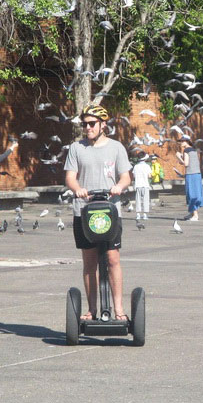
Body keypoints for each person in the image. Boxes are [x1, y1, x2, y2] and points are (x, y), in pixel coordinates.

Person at [64, 104, 132, 322]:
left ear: (103, 124)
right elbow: (70, 177)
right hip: (84, 211)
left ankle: (119, 309)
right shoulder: (76, 148)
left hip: (109, 211)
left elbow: (125, 176)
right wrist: (77, 189)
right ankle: (92, 309)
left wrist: (119, 187)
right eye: (84, 124)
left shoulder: (116, 147)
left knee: (112, 259)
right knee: (90, 261)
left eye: (91, 124)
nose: (87, 128)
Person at [176, 137, 203, 221]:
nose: (181, 143)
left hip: (191, 174)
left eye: (182, 141)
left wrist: (178, 157)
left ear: (187, 142)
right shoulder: (194, 150)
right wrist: (181, 159)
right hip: (197, 174)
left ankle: (195, 215)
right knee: (195, 193)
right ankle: (192, 213)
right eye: (180, 141)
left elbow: (186, 164)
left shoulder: (186, 150)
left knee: (191, 194)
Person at [132, 155, 152, 220]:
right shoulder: (147, 166)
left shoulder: (136, 166)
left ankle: (138, 215)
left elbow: (134, 176)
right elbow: (149, 176)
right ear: (145, 159)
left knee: (138, 200)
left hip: (138, 185)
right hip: (145, 185)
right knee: (145, 200)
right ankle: (145, 215)